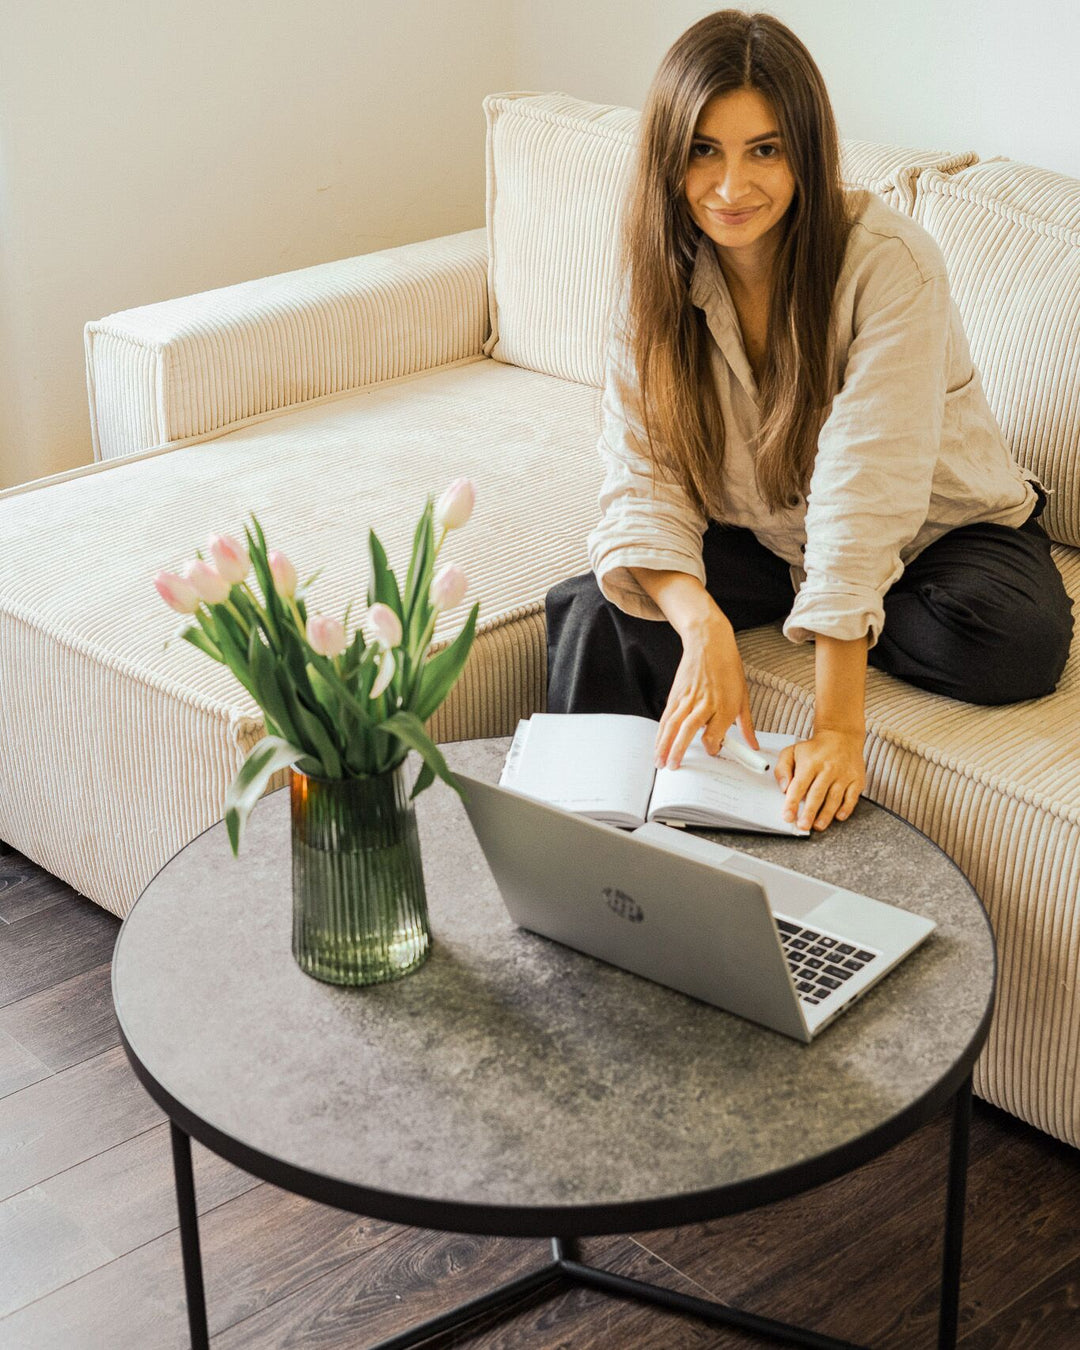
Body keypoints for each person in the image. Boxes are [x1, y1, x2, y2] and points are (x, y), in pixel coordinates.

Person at [545, 9, 1073, 835]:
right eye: (703, 151)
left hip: (939, 530)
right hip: (763, 529)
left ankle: (829, 601)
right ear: (669, 157)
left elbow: (866, 488)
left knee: (1013, 642)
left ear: (806, 150)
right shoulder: (653, 272)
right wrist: (702, 623)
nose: (730, 187)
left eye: (765, 149)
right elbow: (642, 473)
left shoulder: (888, 263)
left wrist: (836, 730)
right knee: (595, 611)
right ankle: (578, 842)